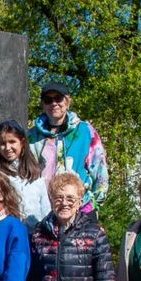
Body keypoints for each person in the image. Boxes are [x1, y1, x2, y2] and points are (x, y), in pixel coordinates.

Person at [27, 82, 109, 214]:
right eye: (48, 100)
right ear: (42, 104)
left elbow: (100, 171)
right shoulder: (31, 136)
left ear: (67, 101)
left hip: (81, 208)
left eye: (58, 98)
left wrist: (93, 205)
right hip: (45, 210)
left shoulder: (85, 131)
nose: (54, 103)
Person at [0, 120, 50, 230]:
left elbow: (45, 208)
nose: (8, 147)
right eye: (3, 144)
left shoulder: (35, 172)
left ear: (22, 142)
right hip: (10, 232)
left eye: (12, 142)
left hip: (36, 234)